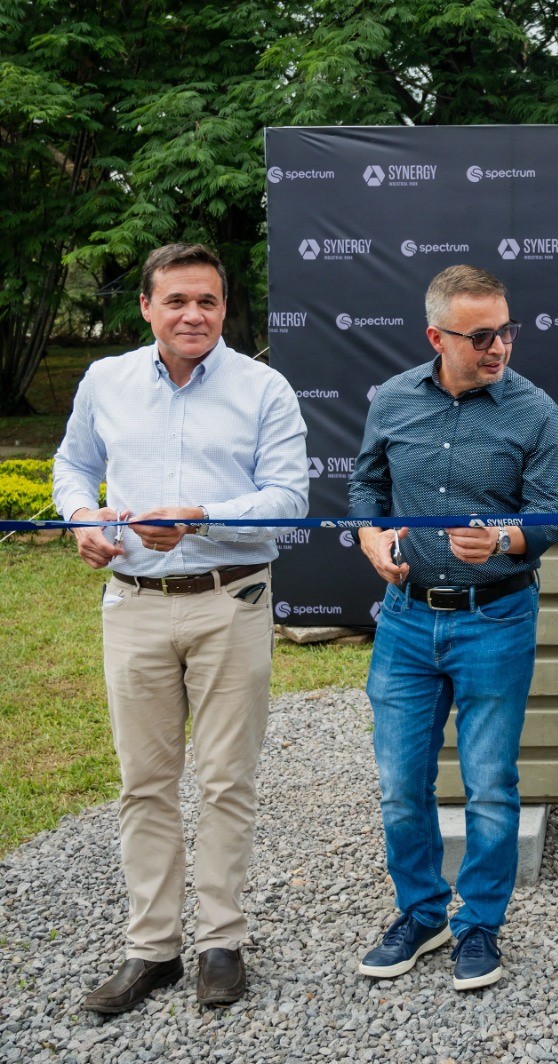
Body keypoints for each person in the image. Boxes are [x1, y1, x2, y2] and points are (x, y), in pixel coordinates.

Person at [53, 243, 309, 1013]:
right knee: (144, 784)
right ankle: (151, 949)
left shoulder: (265, 388)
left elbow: (289, 500)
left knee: (227, 778)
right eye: (176, 302)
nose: (192, 314)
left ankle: (220, 942)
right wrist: (82, 515)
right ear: (146, 308)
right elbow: (72, 463)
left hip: (229, 601)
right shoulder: (107, 381)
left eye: (207, 301)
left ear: (224, 308)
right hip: (132, 602)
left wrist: (203, 517)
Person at [348, 264, 558, 992]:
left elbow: (550, 515)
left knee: (489, 785)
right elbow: (366, 486)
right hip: (407, 623)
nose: (499, 346)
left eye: (506, 330)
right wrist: (371, 537)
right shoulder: (392, 402)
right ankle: (422, 915)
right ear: (435, 336)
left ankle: (479, 924)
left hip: (497, 618)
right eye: (480, 336)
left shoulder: (534, 411)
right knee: (399, 784)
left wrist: (507, 540)